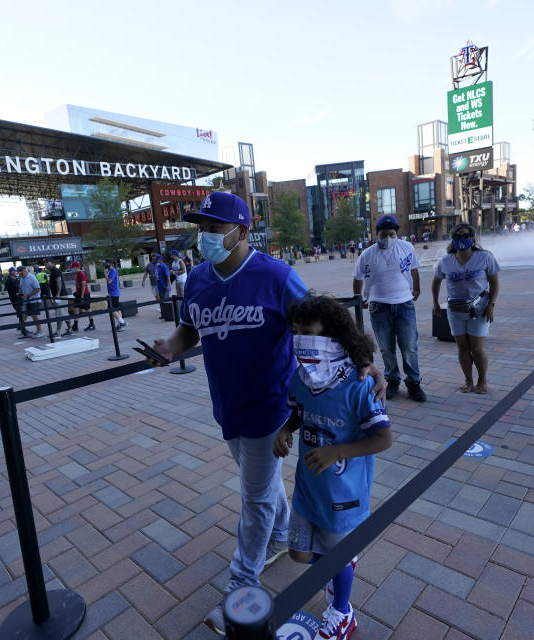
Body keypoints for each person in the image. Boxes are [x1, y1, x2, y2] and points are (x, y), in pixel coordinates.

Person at [143, 192, 384, 635]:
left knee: (252, 497)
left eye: (216, 228)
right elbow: (188, 330)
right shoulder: (196, 279)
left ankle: (241, 584)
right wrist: (167, 349)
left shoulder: (275, 276)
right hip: (227, 406)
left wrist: (363, 363)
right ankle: (277, 537)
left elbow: (323, 320)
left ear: (241, 232)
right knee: (263, 483)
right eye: (203, 228)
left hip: (273, 403)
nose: (207, 237)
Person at [273, 295, 392, 640]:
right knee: (299, 554)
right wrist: (284, 429)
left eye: (308, 331)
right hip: (309, 488)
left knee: (335, 561)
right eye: (295, 331)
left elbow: (383, 438)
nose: (299, 339)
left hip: (344, 496)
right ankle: (341, 567)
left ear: (333, 334)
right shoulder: (302, 378)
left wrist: (337, 452)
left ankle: (343, 611)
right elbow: (297, 413)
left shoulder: (359, 384)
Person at [352, 215, 426, 402]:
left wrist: (416, 287)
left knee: (409, 346)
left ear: (397, 234)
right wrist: (359, 298)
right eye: (383, 234)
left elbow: (414, 268)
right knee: (386, 348)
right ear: (376, 235)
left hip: (404, 304)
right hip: (379, 306)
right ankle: (392, 380)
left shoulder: (406, 248)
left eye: (391, 234)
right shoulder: (368, 254)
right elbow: (358, 277)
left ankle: (414, 383)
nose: (387, 238)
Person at [431, 224, 500, 394]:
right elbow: (436, 282)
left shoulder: (484, 257)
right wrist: (435, 303)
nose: (462, 239)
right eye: (458, 236)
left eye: (466, 235)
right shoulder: (446, 261)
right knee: (462, 347)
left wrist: (491, 305)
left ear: (472, 238)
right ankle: (468, 380)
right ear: (453, 239)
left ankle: (482, 379)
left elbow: (494, 282)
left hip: (479, 310)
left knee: (476, 348)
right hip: (455, 311)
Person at [16, 265, 44, 338]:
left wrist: (28, 295)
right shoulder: (22, 279)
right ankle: (23, 329)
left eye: (21, 273)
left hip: (34, 300)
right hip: (26, 301)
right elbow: (22, 288)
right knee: (24, 315)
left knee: (34, 316)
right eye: (19, 273)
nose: (20, 274)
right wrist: (20, 292)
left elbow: (37, 289)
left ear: (25, 271)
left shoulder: (32, 277)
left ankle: (40, 331)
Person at [47, 260, 73, 337]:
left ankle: (58, 332)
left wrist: (58, 293)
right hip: (59, 295)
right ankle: (70, 329)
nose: (46, 264)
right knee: (63, 312)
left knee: (60, 313)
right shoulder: (52, 271)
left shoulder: (55, 270)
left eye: (47, 262)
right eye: (45, 263)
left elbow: (59, 281)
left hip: (60, 296)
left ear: (52, 263)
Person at [71, 261, 95, 331]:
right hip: (79, 294)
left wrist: (82, 296)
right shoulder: (77, 274)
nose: (72, 269)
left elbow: (83, 284)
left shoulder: (81, 274)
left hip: (84, 294)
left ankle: (92, 324)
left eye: (73, 267)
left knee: (87, 309)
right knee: (76, 308)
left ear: (76, 267)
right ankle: (75, 325)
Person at [104, 259, 126, 330]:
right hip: (113, 292)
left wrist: (106, 275)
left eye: (106, 263)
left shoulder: (113, 271)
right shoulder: (111, 271)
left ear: (110, 263)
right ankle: (121, 325)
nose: (105, 264)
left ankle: (122, 322)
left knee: (111, 308)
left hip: (114, 292)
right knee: (117, 308)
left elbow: (109, 281)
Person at [3, 267, 26, 335]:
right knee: (20, 313)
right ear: (10, 272)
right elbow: (16, 288)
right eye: (14, 271)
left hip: (20, 298)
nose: (16, 272)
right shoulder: (9, 280)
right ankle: (22, 329)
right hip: (15, 299)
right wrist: (19, 289)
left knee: (22, 313)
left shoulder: (16, 278)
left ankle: (21, 327)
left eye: (16, 271)